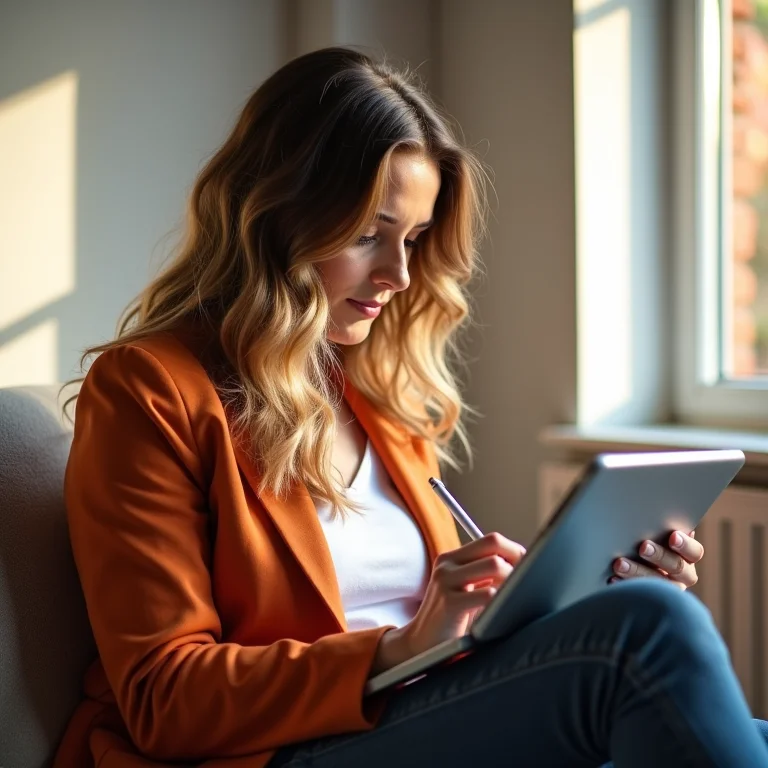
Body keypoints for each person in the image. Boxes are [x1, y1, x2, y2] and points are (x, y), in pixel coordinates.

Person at [54, 46, 768, 768]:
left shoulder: (374, 392)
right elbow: (161, 697)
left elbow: (443, 640)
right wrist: (399, 646)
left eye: (415, 239)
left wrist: (578, 600)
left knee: (706, 688)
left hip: (415, 720)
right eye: (368, 235)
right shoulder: (148, 389)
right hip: (277, 753)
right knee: (646, 633)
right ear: (277, 216)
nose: (398, 274)